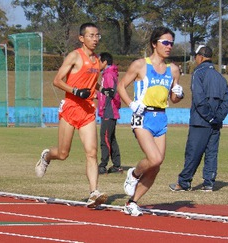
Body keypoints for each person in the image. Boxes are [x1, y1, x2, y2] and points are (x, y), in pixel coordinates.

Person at [35, 23, 113, 208]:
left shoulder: (96, 60)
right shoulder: (75, 56)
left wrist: (103, 90)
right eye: (91, 35)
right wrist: (76, 91)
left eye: (97, 36)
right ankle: (47, 156)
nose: (95, 39)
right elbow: (57, 81)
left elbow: (92, 84)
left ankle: (93, 193)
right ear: (81, 38)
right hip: (71, 108)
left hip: (87, 111)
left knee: (92, 152)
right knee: (63, 153)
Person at [117, 27, 184, 216]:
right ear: (154, 44)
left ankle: (132, 202)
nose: (169, 46)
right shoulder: (140, 65)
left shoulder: (173, 70)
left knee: (156, 166)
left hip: (161, 117)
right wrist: (131, 104)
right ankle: (134, 174)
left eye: (171, 43)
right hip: (142, 116)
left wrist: (179, 94)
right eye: (165, 42)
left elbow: (174, 98)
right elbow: (121, 86)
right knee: (154, 158)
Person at [169, 45, 228, 192]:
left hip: (200, 121)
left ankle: (184, 183)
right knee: (211, 153)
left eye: (196, 56)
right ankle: (209, 183)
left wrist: (209, 117)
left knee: (193, 152)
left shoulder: (198, 73)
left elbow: (199, 99)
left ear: (200, 57)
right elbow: (226, 101)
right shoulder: (220, 77)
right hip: (215, 123)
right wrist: (217, 118)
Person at [97, 52, 122, 174]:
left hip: (109, 110)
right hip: (108, 110)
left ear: (105, 62)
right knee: (111, 138)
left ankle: (103, 164)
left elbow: (111, 92)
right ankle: (116, 165)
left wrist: (105, 93)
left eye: (99, 61)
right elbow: (106, 92)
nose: (97, 63)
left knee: (105, 138)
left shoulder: (108, 74)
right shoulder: (107, 74)